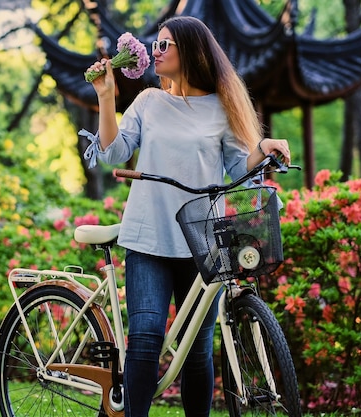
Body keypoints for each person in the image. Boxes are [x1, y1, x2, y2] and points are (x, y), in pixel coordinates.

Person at [81, 16, 291, 417]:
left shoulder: (219, 109)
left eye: (165, 46)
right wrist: (106, 96)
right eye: (154, 46)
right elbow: (112, 152)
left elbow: (238, 167)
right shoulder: (147, 102)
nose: (155, 53)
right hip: (148, 239)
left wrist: (263, 147)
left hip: (201, 244)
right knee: (145, 339)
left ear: (191, 52)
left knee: (197, 353)